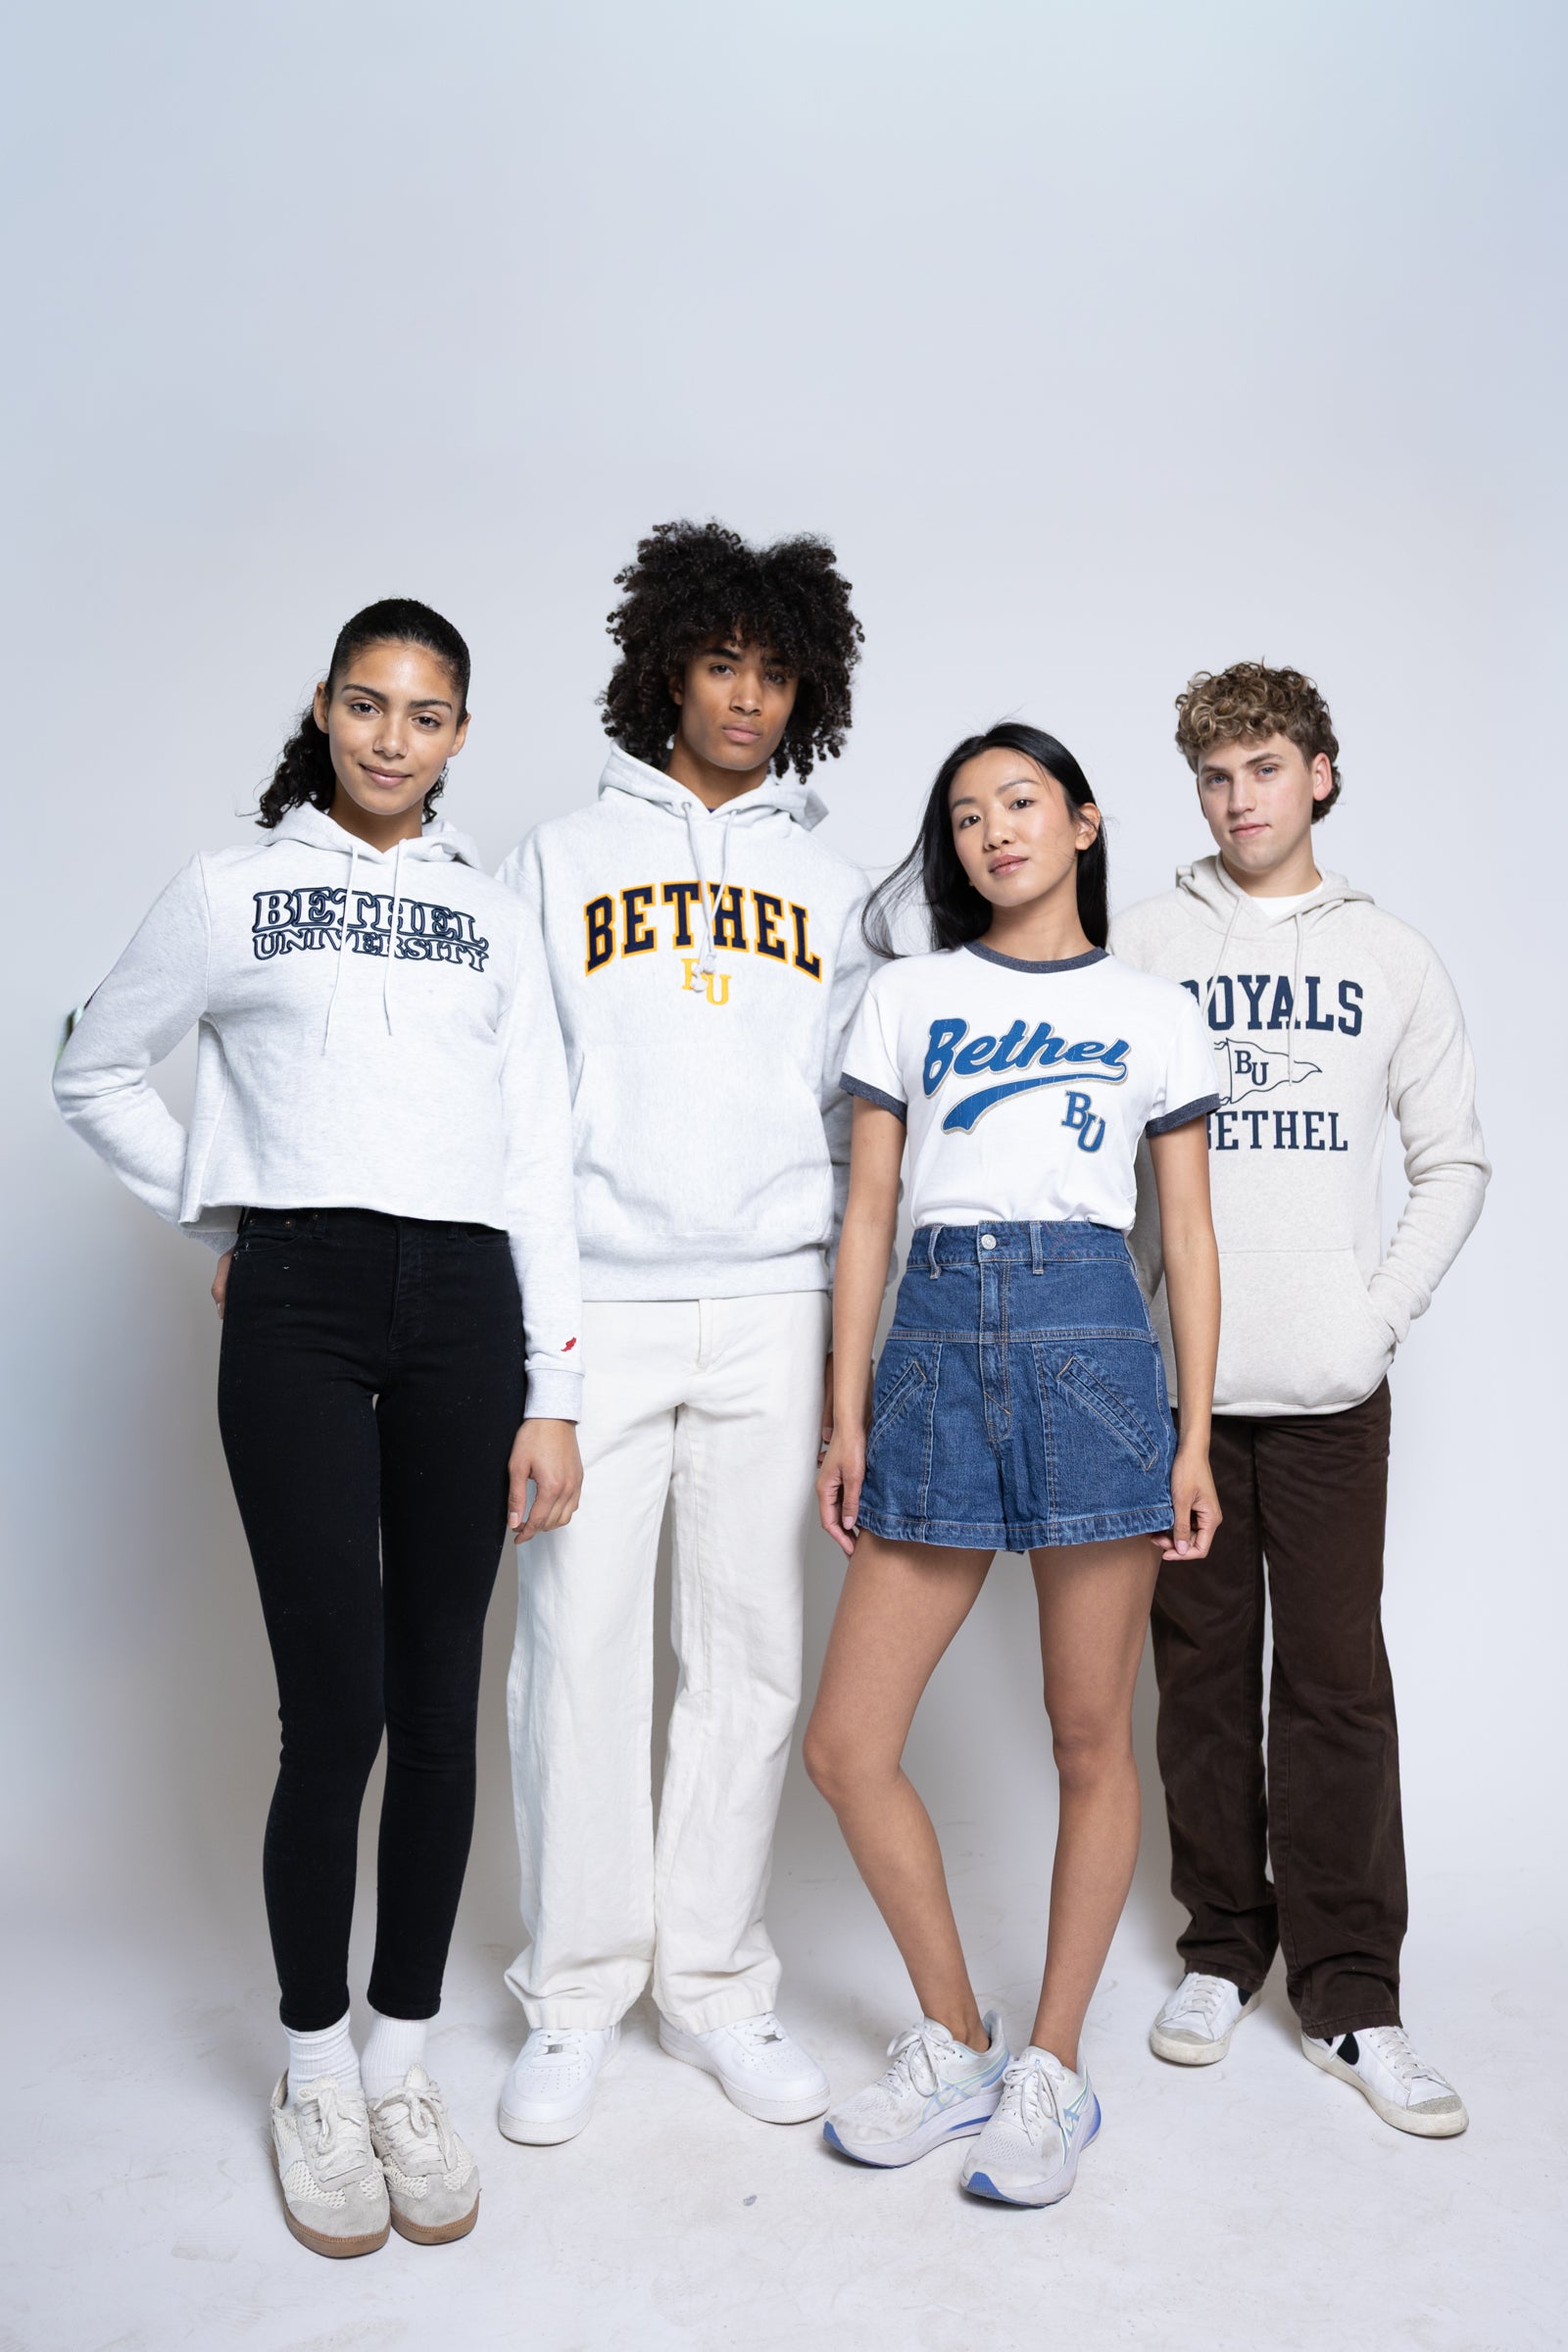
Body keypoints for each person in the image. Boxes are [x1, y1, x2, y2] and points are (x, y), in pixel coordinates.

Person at [54, 601, 583, 2255]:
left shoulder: (494, 918)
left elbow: (539, 1155)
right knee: (334, 1707)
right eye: (367, 705)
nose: (391, 739)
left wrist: (555, 1388)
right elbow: (92, 1066)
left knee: (437, 1701)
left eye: (425, 715)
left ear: (460, 735)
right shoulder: (233, 890)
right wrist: (229, 1217)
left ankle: (401, 2063)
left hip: (467, 1306)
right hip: (298, 1300)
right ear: (325, 706)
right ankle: (312, 2070)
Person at [806, 721, 1222, 2209]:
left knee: (1089, 1738)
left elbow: (1187, 1236)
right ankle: (959, 2042)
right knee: (847, 1744)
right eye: (968, 813)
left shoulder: (1154, 1011)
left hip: (1091, 1343)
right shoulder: (908, 996)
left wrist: (1193, 1435)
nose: (995, 831)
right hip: (930, 1347)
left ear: (1084, 822)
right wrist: (846, 1413)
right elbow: (867, 1215)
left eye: (1022, 802)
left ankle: (1053, 2066)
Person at [493, 520, 871, 2144]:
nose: (747, 697)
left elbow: (854, 1126)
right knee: (578, 1648)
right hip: (603, 1296)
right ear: (666, 669)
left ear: (808, 691)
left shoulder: (832, 884)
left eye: (776, 672)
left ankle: (713, 1984)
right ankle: (577, 1992)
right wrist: (541, 1348)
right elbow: (520, 1112)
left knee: (749, 1655)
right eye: (721, 663)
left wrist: (845, 1348)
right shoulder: (559, 858)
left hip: (775, 1300)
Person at [1112, 661, 1488, 2137]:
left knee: (1334, 1684)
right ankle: (1222, 1949)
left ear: (1319, 773)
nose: (1237, 799)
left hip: (1332, 1394)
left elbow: (1454, 1160)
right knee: (1200, 1680)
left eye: (1263, 768)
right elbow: (1102, 1154)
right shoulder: (1146, 944)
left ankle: (1351, 1995)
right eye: (1213, 777)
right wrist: (1134, 1336)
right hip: (1182, 1401)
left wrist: (1372, 1319)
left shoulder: (1391, 956)